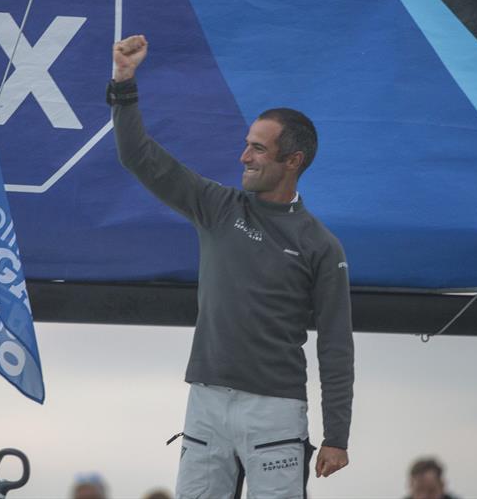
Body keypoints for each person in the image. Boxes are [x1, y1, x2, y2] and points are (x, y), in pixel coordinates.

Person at [108, 35, 354, 498]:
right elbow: (136, 155)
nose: (244, 157)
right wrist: (124, 82)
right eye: (247, 145)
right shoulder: (217, 206)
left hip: (276, 410)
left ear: (293, 161)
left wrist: (336, 436)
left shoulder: (321, 244)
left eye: (258, 149)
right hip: (206, 399)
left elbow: (337, 346)